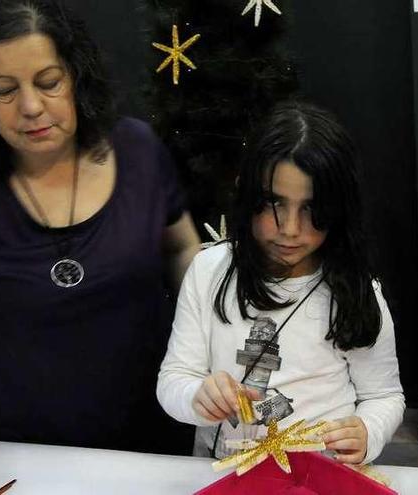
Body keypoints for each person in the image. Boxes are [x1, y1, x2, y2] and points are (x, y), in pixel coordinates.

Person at [0, 0, 200, 455]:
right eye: (3, 90)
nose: (31, 107)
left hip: (162, 435)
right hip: (41, 451)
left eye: (49, 82)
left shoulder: (138, 150)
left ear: (76, 74)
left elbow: (183, 252)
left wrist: (213, 334)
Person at [157, 101, 404, 465]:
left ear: (337, 209)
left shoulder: (356, 289)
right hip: (224, 474)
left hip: (321, 477)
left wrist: (368, 431)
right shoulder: (208, 270)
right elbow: (174, 378)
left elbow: (384, 395)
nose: (290, 229)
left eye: (311, 208)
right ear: (249, 196)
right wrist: (196, 396)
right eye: (274, 203)